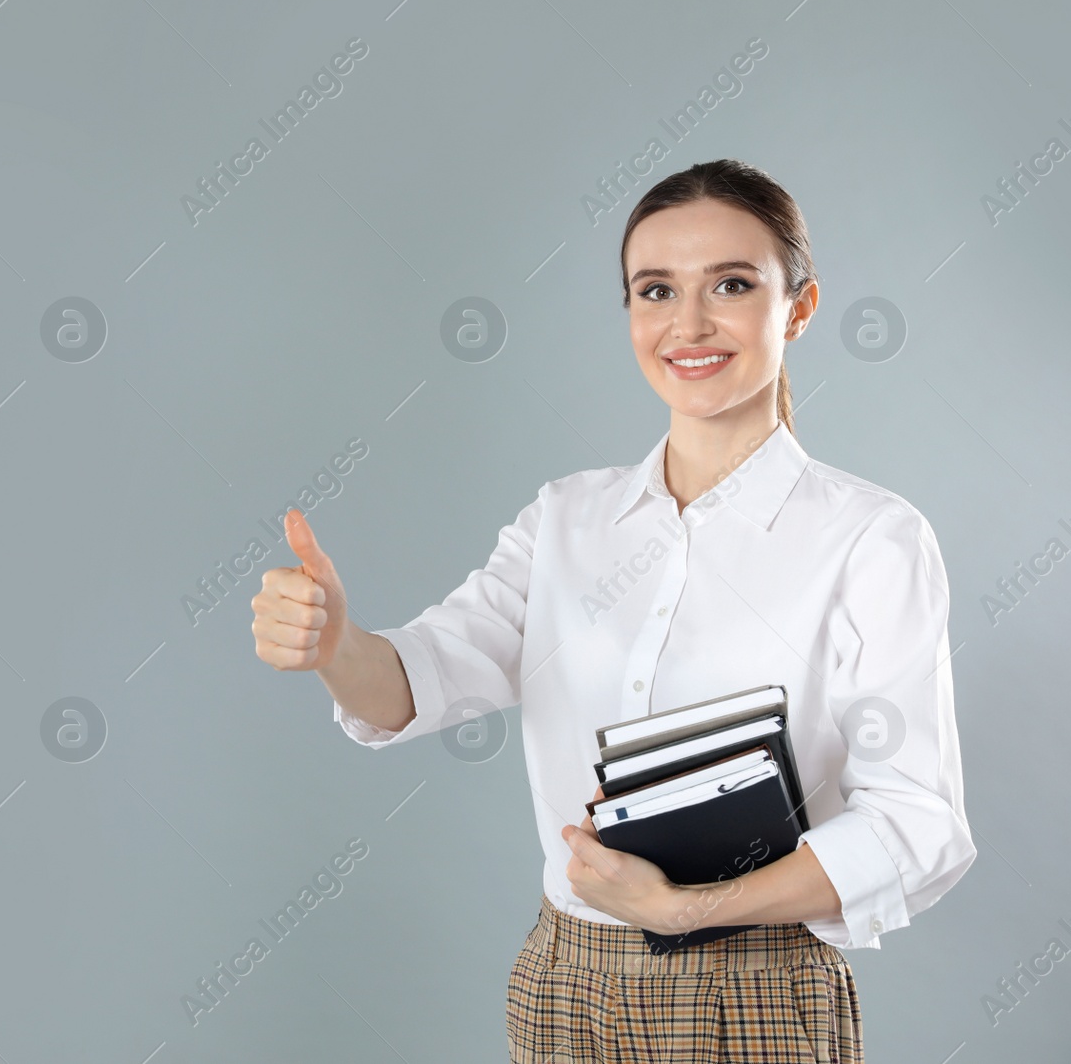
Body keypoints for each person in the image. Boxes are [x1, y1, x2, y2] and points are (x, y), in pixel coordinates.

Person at [248, 158, 975, 1063]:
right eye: (656, 289)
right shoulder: (565, 518)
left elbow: (918, 823)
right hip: (564, 979)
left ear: (799, 307)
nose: (690, 324)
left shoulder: (872, 538)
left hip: (750, 989)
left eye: (734, 284)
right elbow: (419, 680)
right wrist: (334, 644)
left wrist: (688, 910)